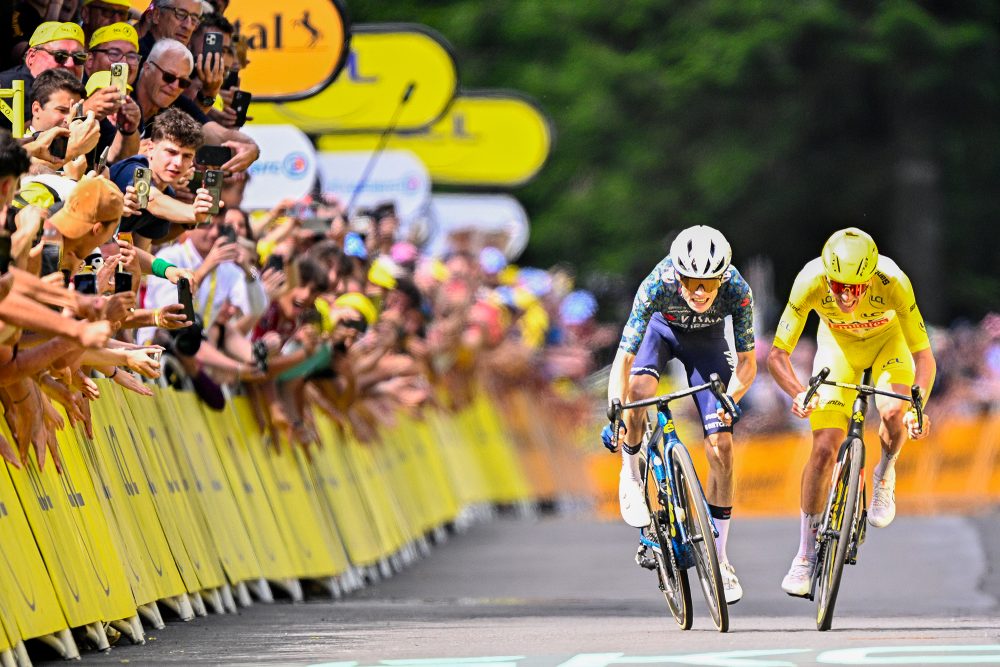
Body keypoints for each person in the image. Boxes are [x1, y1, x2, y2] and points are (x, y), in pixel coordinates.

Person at [767, 227, 936, 597]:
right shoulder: (809, 280)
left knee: (893, 409)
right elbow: (777, 355)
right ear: (827, 276)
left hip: (888, 347)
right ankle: (805, 553)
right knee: (824, 448)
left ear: (871, 277)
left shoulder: (894, 280)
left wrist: (917, 405)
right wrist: (798, 393)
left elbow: (923, 355)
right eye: (838, 286)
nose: (846, 295)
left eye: (856, 287)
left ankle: (885, 473)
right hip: (837, 351)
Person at [604, 225, 756, 604]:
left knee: (721, 445)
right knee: (638, 392)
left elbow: (748, 364)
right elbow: (623, 358)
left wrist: (730, 397)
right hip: (661, 334)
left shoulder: (738, 291)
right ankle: (632, 472)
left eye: (709, 283)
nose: (701, 292)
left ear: (723, 278)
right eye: (691, 282)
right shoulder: (657, 283)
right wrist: (615, 409)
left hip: (707, 345)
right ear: (677, 274)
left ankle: (720, 560)